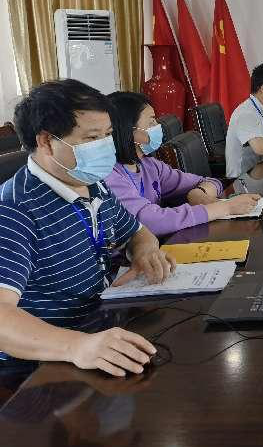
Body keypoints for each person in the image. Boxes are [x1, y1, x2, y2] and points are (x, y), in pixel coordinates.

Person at [0, 79, 174, 376]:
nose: (106, 147)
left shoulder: (92, 183)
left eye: (108, 135)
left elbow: (137, 231)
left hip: (103, 328)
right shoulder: (14, 210)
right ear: (46, 142)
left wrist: (144, 250)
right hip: (46, 365)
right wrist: (76, 346)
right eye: (92, 138)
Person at [104, 92, 261, 237]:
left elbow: (211, 181)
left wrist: (199, 193)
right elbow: (148, 221)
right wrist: (225, 207)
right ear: (128, 130)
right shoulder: (110, 176)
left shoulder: (150, 166)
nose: (157, 126)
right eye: (151, 121)